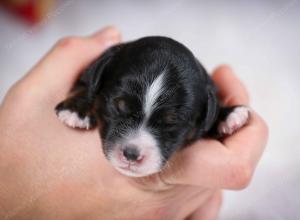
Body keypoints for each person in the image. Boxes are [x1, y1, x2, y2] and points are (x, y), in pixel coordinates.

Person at [0, 26, 268, 220]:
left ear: (205, 114)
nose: (133, 148)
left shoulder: (207, 104)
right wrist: (82, 101)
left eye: (170, 123)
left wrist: (222, 119)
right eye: (120, 107)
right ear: (99, 78)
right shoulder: (100, 69)